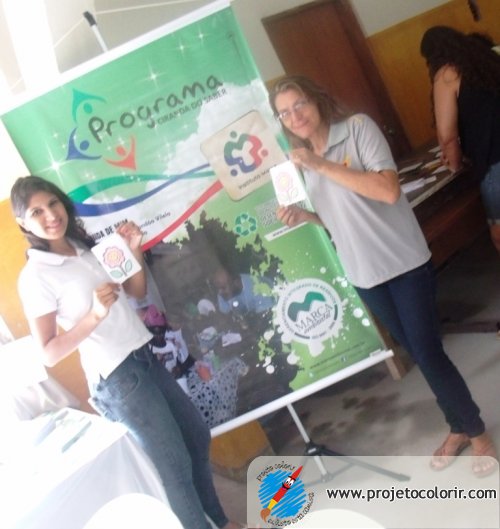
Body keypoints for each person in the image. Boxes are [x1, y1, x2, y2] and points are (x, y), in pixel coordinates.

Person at [268, 75, 497, 476]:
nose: (294, 116)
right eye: (284, 113)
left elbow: (388, 191)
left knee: (428, 352)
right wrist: (306, 216)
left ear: (316, 99)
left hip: (403, 263)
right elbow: (340, 218)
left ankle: (478, 434)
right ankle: (458, 426)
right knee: (419, 354)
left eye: (299, 104)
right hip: (364, 274)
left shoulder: (357, 129)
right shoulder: (304, 162)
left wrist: (320, 165)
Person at [10, 175, 241, 529]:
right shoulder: (35, 276)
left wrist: (133, 250)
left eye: (53, 203)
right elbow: (48, 353)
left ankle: (221, 523)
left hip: (143, 355)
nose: (50, 215)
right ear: (23, 223)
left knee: (196, 436)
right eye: (36, 212)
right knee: (173, 467)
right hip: (118, 378)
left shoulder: (85, 248)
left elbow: (135, 291)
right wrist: (94, 316)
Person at [420, 25, 500, 254]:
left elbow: (448, 136)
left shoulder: (447, 75)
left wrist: (454, 164)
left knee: (498, 233)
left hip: (495, 159)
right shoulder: (487, 60)